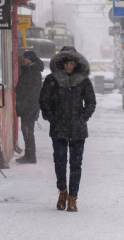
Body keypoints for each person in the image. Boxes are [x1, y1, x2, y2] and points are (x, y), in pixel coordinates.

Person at [39, 46, 96, 212]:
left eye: (72, 63)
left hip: (78, 130)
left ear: (76, 63)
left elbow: (91, 102)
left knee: (76, 164)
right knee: (60, 162)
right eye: (66, 63)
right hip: (59, 129)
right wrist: (53, 118)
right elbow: (44, 101)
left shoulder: (84, 81)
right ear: (61, 63)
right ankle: (62, 192)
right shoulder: (52, 79)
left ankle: (73, 198)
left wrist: (82, 118)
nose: (69, 67)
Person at [15, 50, 44, 164]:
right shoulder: (29, 71)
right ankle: (29, 154)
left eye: (25, 58)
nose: (23, 59)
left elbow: (31, 91)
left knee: (27, 130)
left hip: (29, 107)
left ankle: (31, 155)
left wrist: (27, 104)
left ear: (30, 59)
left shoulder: (33, 72)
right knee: (26, 130)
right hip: (27, 106)